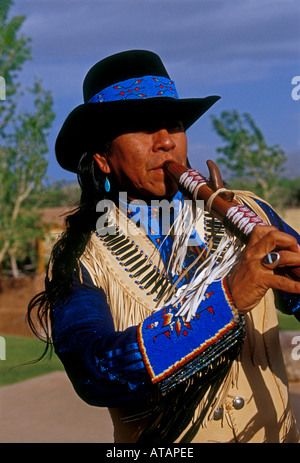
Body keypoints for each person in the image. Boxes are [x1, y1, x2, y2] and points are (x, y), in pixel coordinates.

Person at [27, 49, 300, 443]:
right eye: (142, 128)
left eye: (172, 125)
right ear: (103, 157)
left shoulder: (250, 213)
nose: (165, 142)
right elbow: (94, 371)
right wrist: (226, 301)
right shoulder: (82, 256)